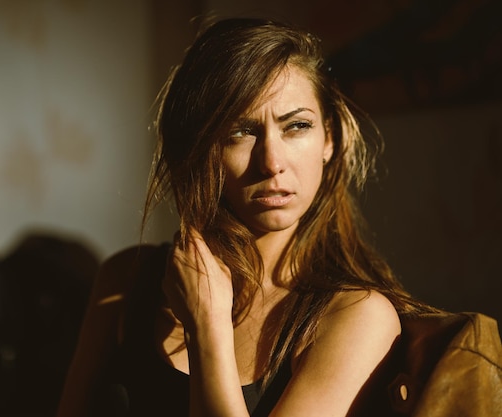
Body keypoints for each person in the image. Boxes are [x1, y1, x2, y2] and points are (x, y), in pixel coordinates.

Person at [55, 17, 442, 417]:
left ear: (328, 138)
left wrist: (207, 328)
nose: (272, 162)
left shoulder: (355, 318)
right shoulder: (124, 282)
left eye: (297, 126)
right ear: (198, 149)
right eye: (240, 131)